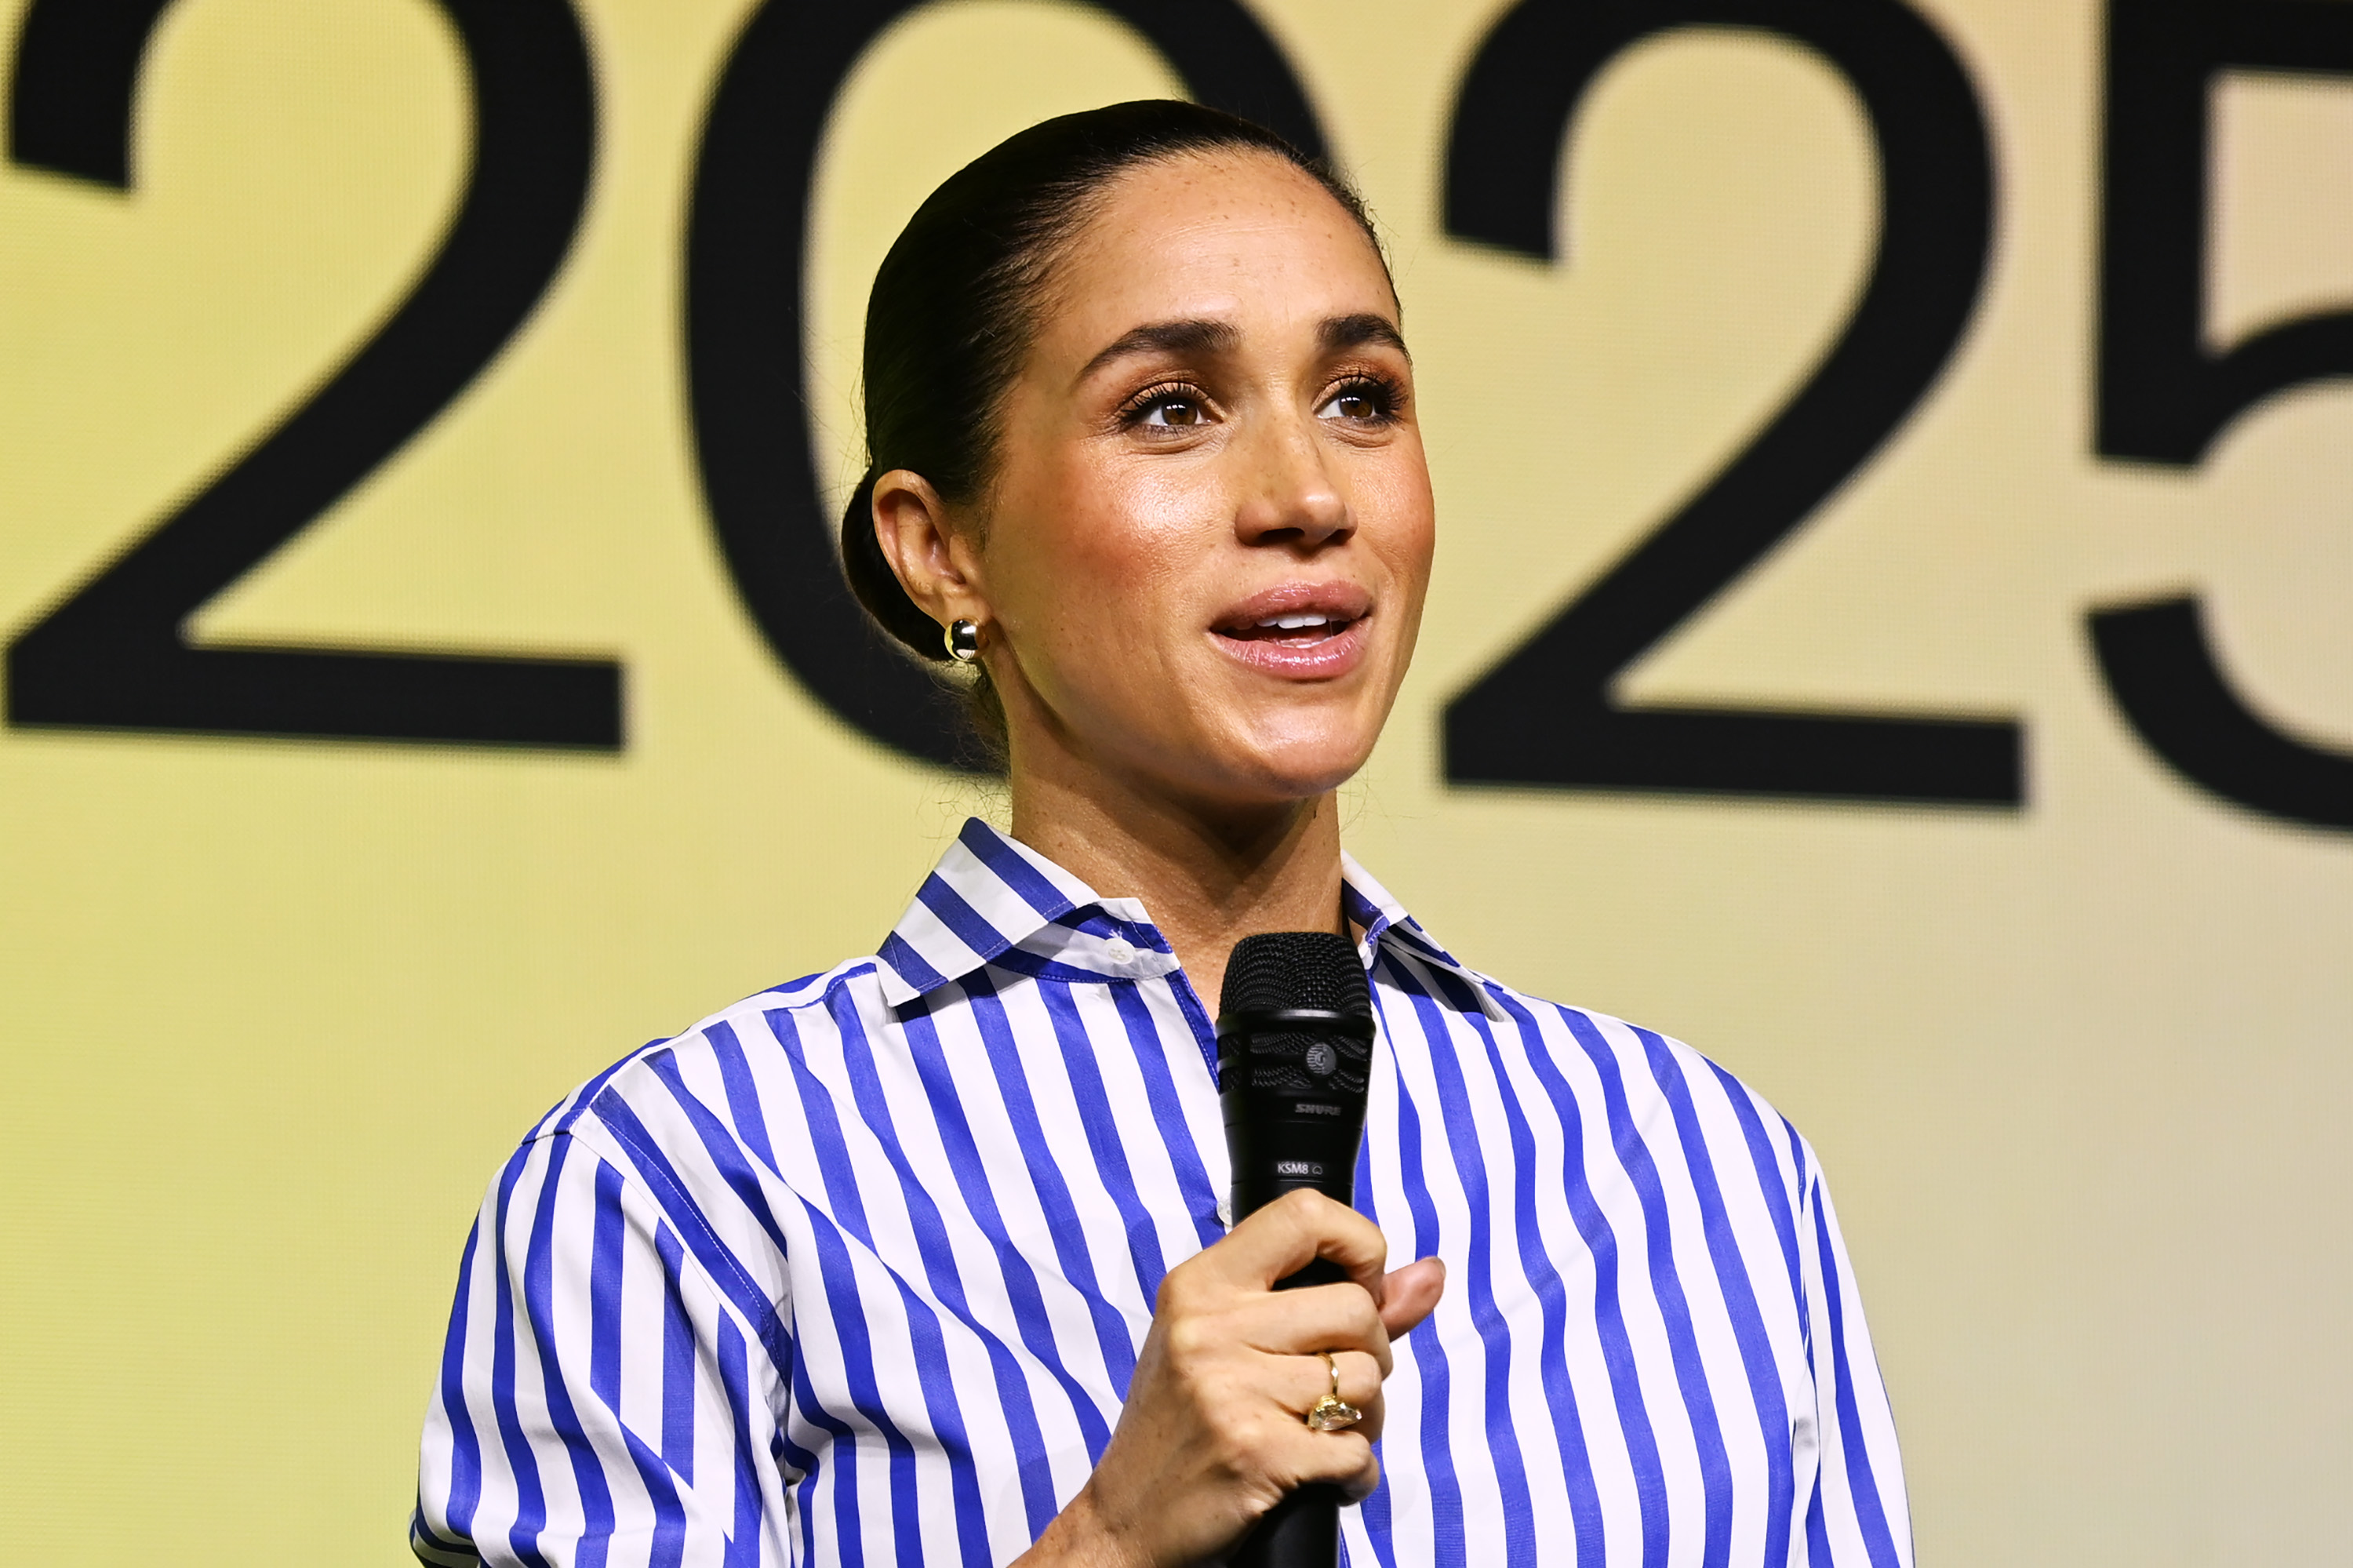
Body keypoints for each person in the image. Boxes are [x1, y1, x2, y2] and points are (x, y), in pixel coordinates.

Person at [413, 100, 1908, 1568]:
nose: (1308, 495)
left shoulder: (1689, 1168)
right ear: (941, 546)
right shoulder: (692, 1183)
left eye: (1361, 397)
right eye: (1171, 409)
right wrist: (1112, 1540)